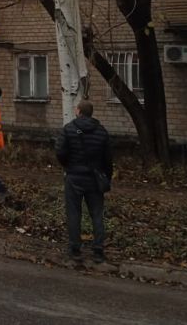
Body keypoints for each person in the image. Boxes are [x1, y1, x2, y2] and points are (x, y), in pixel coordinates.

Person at [55, 99, 113, 264]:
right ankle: (98, 250)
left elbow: (60, 151)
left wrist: (68, 166)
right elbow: (108, 159)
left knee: (74, 213)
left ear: (79, 111)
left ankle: (75, 249)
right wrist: (105, 177)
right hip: (94, 178)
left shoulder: (69, 129)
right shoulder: (102, 132)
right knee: (96, 214)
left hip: (74, 177)